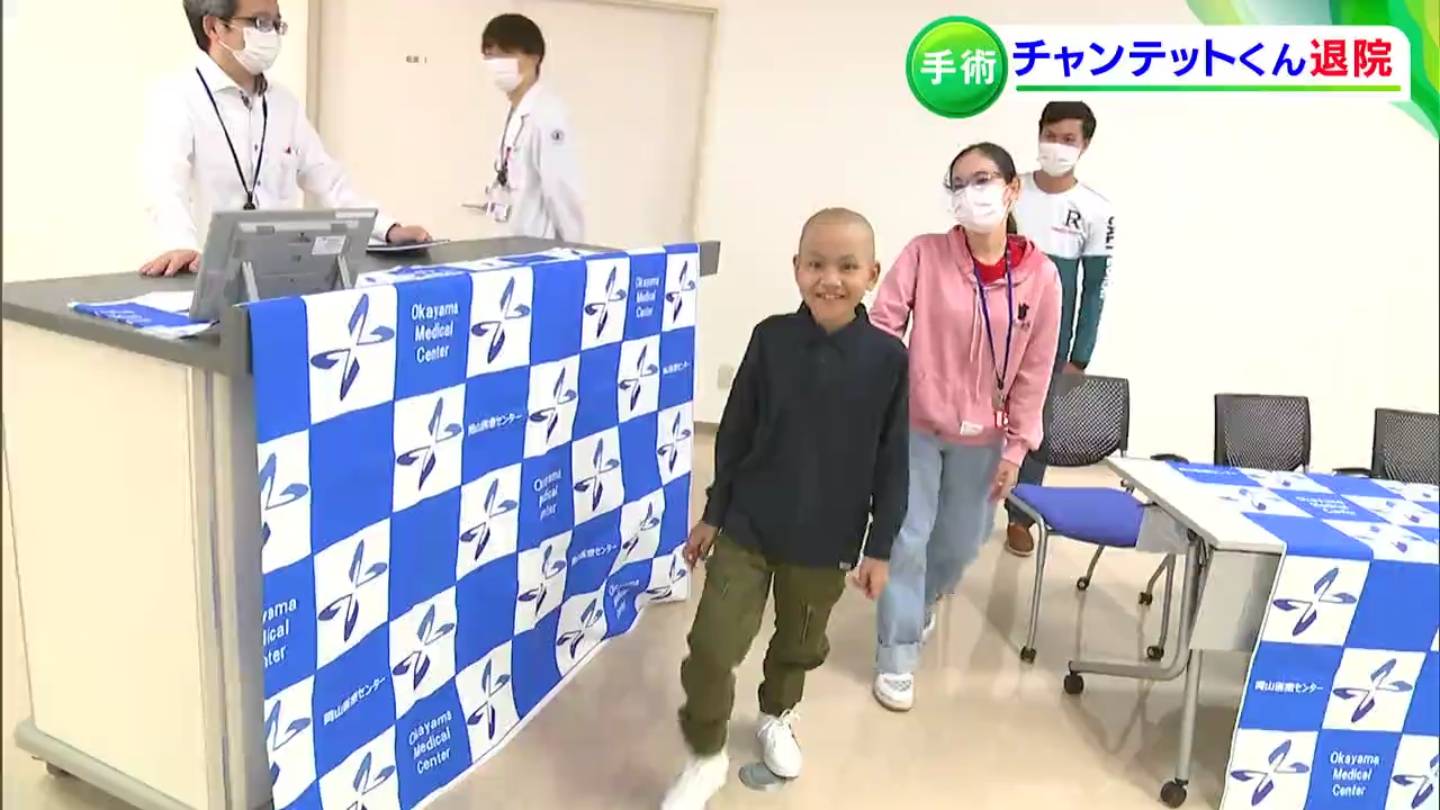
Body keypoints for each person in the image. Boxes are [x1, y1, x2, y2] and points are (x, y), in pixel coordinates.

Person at [662, 208, 907, 809]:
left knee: (798, 642)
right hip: (748, 526)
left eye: (847, 266)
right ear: (796, 268)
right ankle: (705, 753)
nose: (831, 279)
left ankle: (777, 713)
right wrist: (714, 513)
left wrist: (880, 548)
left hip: (827, 540)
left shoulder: (888, 359)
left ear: (872, 274)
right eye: (816, 264)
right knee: (713, 645)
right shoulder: (770, 339)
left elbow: (894, 461)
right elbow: (735, 433)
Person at [869, 143, 1061, 712]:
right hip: (917, 423)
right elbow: (883, 324)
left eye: (982, 179)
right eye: (958, 183)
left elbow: (1036, 369)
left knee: (959, 543)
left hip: (987, 437)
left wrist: (1018, 448)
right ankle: (897, 652)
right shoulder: (925, 254)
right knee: (908, 535)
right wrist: (882, 396)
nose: (969, 193)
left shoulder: (1041, 277)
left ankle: (923, 600)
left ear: (1011, 190)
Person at [139, 0, 430, 277]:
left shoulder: (282, 103)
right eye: (259, 22)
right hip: (206, 275)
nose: (272, 34)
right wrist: (180, 245)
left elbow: (328, 180)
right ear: (214, 27)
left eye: (276, 23)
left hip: (281, 275)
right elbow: (164, 184)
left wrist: (387, 230)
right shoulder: (178, 97)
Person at [1003, 101, 1115, 557]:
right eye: (1050, 135)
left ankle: (1021, 516)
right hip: (994, 332)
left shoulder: (1096, 210)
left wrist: (1080, 353)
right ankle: (960, 512)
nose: (1057, 146)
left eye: (1068, 139)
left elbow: (1095, 288)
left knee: (1034, 428)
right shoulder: (1008, 192)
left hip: (1050, 342)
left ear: (1084, 145)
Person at [479, 14, 585, 242]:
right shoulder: (517, 113)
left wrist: (575, 249)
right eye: (490, 54)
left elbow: (561, 191)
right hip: (510, 243)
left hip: (539, 248)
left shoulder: (548, 115)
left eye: (506, 54)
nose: (496, 63)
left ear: (535, 57)